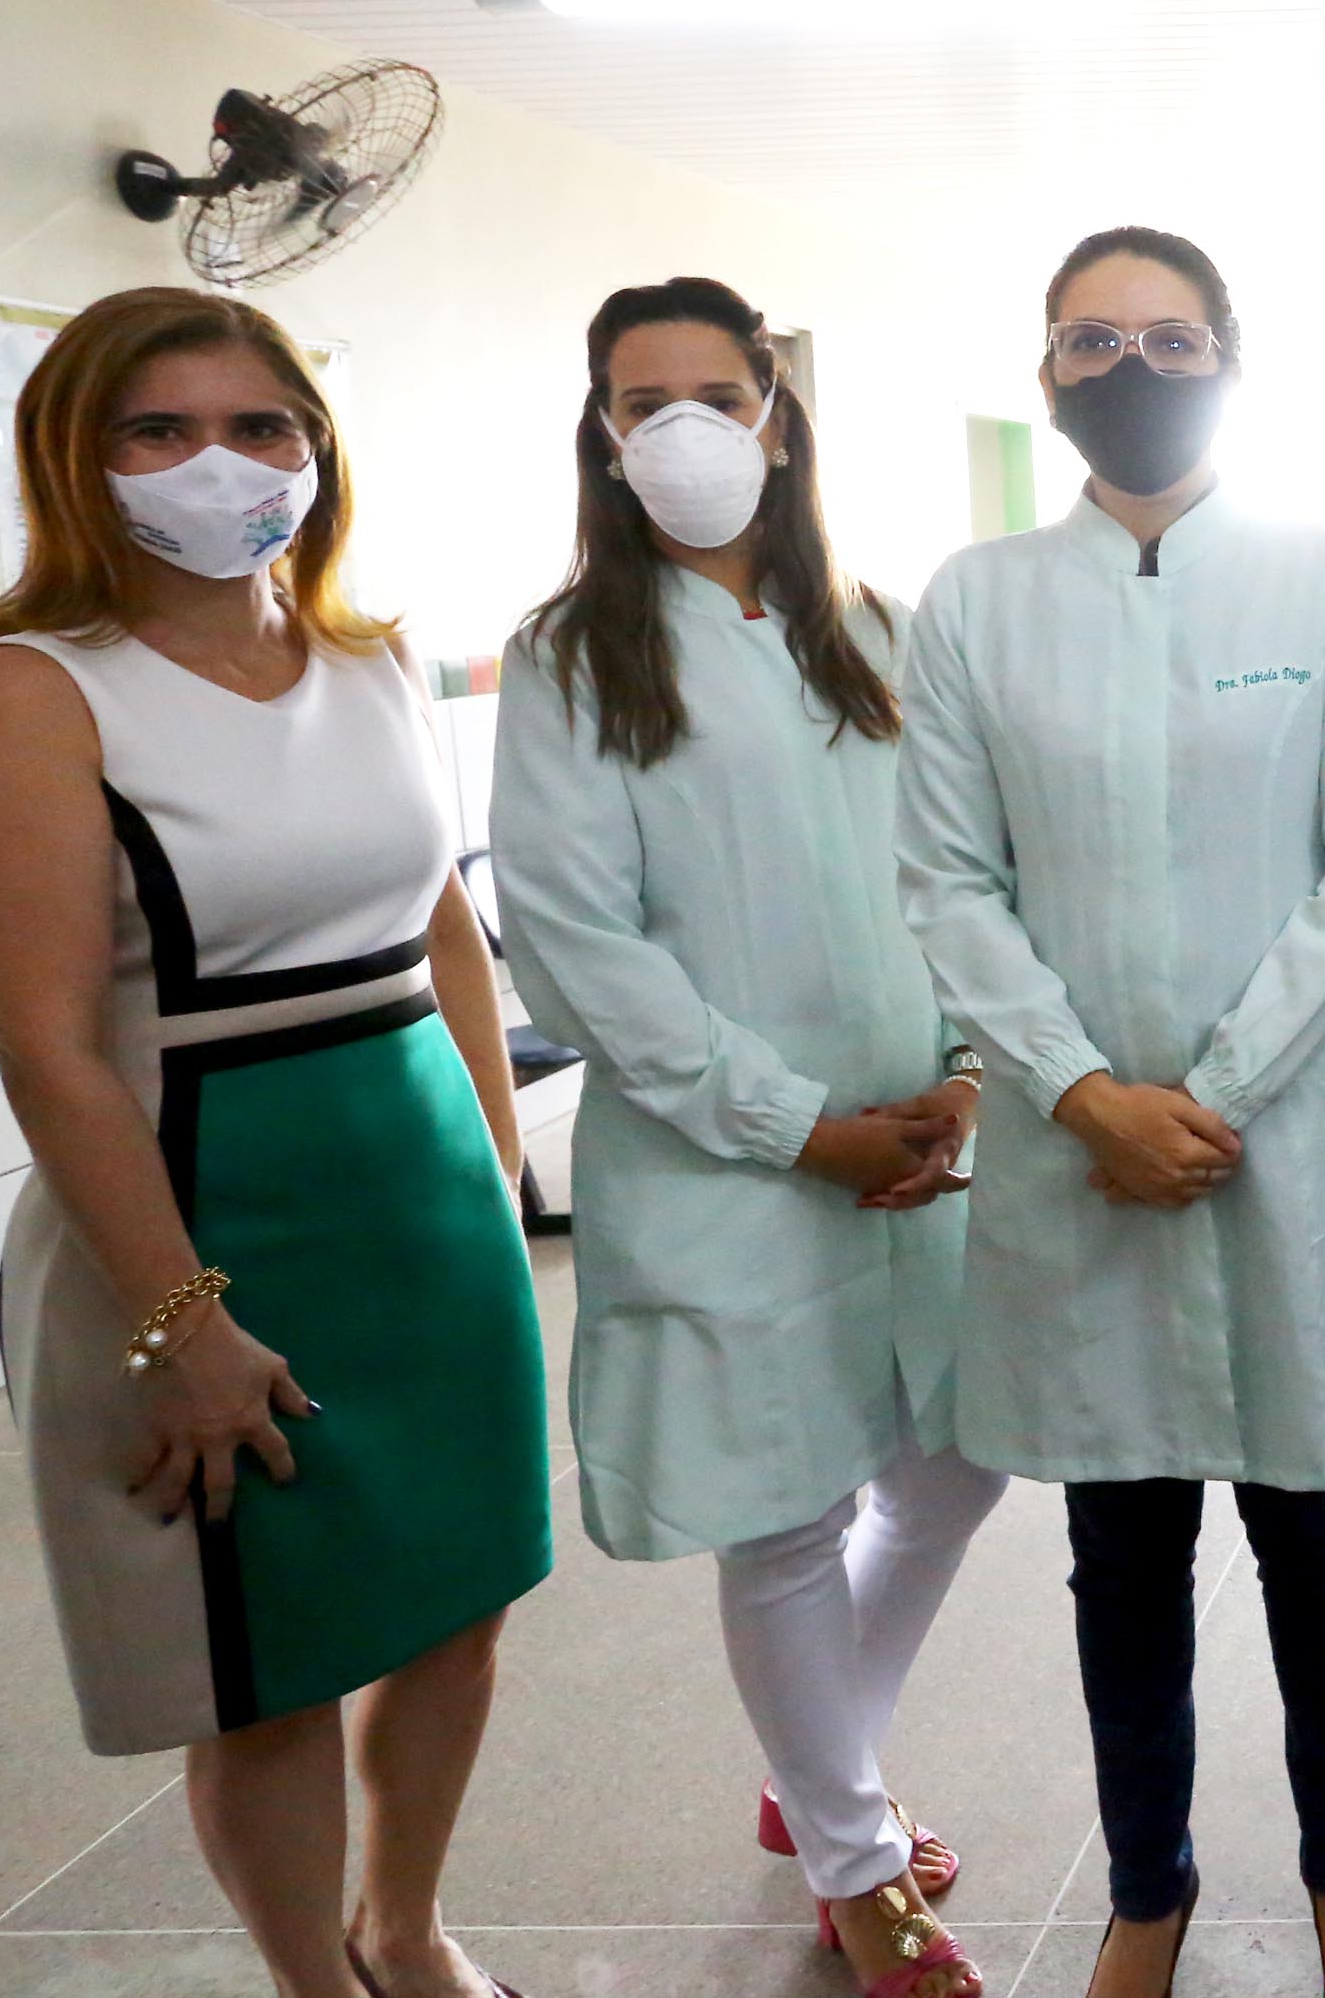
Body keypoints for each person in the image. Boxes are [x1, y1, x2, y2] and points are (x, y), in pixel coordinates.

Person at [0, 287, 549, 1998]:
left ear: (316, 453)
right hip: (206, 1217)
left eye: (261, 426)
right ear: (79, 462)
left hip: (420, 1203)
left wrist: (494, 1175)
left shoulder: (368, 659)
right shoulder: (35, 697)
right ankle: (311, 1976)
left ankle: (405, 1928)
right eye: (160, 431)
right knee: (269, 1658)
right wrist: (177, 1322)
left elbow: (445, 931)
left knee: (462, 1595)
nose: (222, 463)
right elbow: (48, 1053)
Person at [895, 226, 1325, 1998]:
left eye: (1164, 337)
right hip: (1083, 1161)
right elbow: (947, 883)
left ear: (1228, 355)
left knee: (1312, 1526)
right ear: (1043, 375)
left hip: (1274, 1139)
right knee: (1119, 1543)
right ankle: (1148, 1887)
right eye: (1086, 342)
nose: (1126, 371)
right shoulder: (977, 600)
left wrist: (1203, 1100)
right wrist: (1082, 1097)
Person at [489, 278, 1004, 1998]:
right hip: (730, 1159)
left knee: (952, 1457)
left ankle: (813, 1778)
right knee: (784, 1514)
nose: (688, 428)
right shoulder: (576, 658)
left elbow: (959, 869)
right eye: (648, 402)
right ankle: (857, 1867)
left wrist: (959, 1074)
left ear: (779, 415)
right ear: (602, 431)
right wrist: (799, 1131)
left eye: (722, 392)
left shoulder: (875, 623)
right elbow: (578, 947)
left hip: (921, 1147)